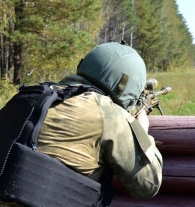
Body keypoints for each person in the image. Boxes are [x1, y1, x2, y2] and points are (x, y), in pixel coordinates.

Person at [0, 42, 163, 206]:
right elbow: (148, 185)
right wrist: (142, 130)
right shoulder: (109, 113)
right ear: (124, 85)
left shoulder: (31, 96)